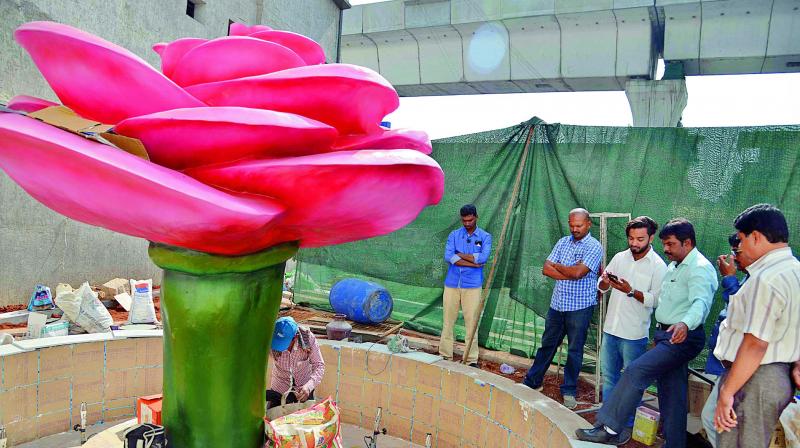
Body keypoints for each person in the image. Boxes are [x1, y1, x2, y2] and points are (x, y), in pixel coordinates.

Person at [577, 218, 718, 447]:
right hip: (664, 335)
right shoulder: (675, 265)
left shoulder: (699, 269)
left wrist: (684, 324)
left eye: (671, 244)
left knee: (634, 371)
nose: (666, 249)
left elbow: (700, 304)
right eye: (665, 244)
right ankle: (674, 443)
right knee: (672, 396)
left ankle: (609, 430)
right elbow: (664, 301)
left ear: (687, 242)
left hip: (680, 336)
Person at [713, 204, 800, 448]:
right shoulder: (793, 270)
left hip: (753, 378)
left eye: (740, 240)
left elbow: (755, 344)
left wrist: (727, 392)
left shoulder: (768, 278)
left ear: (756, 236)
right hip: (769, 375)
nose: (738, 247)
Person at [523, 208, 603, 410]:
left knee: (575, 351)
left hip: (580, 307)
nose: (575, 229)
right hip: (557, 305)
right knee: (547, 345)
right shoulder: (562, 242)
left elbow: (578, 273)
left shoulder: (594, 246)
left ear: (588, 224)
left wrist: (560, 267)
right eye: (572, 225)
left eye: (579, 225)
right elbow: (545, 268)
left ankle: (568, 390)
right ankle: (533, 381)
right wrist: (570, 270)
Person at [598, 216, 667, 418]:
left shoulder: (658, 265)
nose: (634, 243)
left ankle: (626, 423)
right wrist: (604, 282)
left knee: (632, 382)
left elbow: (656, 300)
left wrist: (631, 291)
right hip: (611, 329)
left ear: (651, 238)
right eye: (631, 238)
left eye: (640, 239)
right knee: (610, 379)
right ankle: (606, 419)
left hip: (634, 335)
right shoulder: (620, 257)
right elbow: (601, 288)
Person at [700, 233, 752, 447]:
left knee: (716, 421)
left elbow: (744, 314)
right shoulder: (748, 277)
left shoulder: (761, 280)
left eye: (737, 251)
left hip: (741, 367)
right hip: (726, 365)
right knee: (715, 421)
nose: (733, 257)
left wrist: (729, 278)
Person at [440, 204, 492, 367]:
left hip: (473, 286)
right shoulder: (454, 235)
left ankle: (471, 359)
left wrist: (460, 254)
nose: (467, 223)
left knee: (471, 323)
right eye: (464, 220)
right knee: (448, 321)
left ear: (476, 217)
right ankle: (445, 356)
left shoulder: (485, 237)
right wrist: (472, 261)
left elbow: (482, 259)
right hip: (452, 284)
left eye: (470, 220)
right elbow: (449, 257)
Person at [266, 316, 325, 410]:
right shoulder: (269, 340)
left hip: (303, 391)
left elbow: (319, 365)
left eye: (284, 343)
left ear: (295, 337)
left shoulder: (308, 339)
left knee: (304, 422)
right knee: (273, 420)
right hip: (279, 389)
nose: (281, 347)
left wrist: (308, 386)